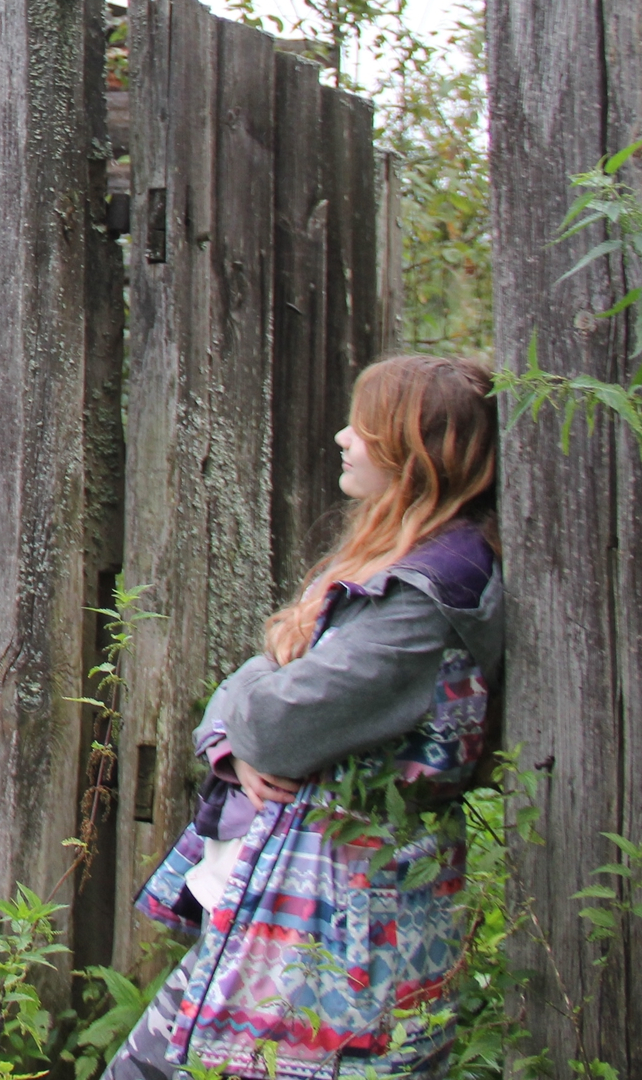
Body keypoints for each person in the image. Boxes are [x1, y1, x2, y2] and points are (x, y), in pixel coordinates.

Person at [105, 355, 503, 1079]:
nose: (343, 438)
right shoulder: (406, 563)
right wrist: (236, 731)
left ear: (413, 451)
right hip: (296, 907)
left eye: (364, 427)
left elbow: (277, 724)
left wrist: (249, 710)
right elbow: (256, 700)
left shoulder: (425, 596)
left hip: (343, 933)